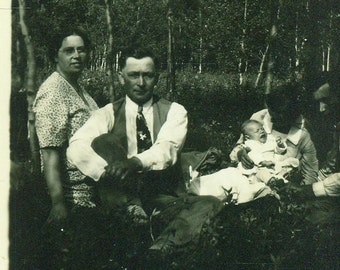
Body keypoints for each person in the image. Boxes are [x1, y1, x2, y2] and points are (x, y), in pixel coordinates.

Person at [66, 46, 222, 260]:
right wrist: (105, 172)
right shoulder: (107, 113)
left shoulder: (174, 110)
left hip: (163, 198)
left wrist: (135, 163)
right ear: (122, 78)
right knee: (103, 140)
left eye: (147, 75)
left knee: (210, 203)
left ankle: (156, 253)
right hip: (120, 199)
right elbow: (76, 145)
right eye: (133, 75)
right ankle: (133, 219)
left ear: (157, 78)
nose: (141, 82)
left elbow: (168, 148)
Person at [188, 119, 299, 204]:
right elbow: (252, 156)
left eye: (262, 129)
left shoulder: (270, 141)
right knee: (263, 174)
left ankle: (281, 184)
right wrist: (262, 162)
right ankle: (273, 182)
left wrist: (280, 145)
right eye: (257, 131)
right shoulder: (250, 144)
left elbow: (278, 151)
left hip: (271, 166)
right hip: (257, 169)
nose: (261, 131)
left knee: (278, 173)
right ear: (248, 137)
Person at [230, 82, 319, 185]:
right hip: (248, 177)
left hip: (278, 183)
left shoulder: (304, 134)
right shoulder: (259, 117)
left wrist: (300, 193)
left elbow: (310, 174)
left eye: (279, 117)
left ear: (293, 114)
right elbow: (239, 146)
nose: (272, 119)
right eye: (271, 112)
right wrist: (241, 153)